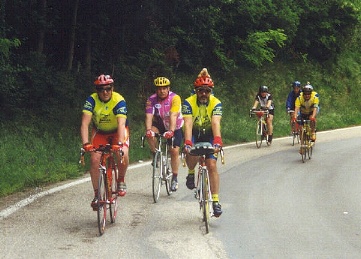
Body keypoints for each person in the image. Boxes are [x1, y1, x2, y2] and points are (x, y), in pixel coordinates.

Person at [81, 74, 130, 210]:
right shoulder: (91, 100)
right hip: (100, 132)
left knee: (123, 153)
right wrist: (86, 144)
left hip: (117, 131)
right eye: (101, 89)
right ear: (97, 90)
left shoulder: (118, 100)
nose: (105, 92)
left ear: (112, 88)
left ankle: (120, 179)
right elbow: (85, 124)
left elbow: (121, 124)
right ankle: (97, 195)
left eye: (108, 89)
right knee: (95, 159)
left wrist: (119, 144)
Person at [182, 68, 223, 217]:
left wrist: (218, 140)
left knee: (211, 165)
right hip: (193, 133)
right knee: (191, 156)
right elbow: (187, 124)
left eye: (207, 91)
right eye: (200, 91)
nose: (204, 94)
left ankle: (216, 201)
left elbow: (215, 123)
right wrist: (187, 142)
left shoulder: (216, 103)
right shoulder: (188, 102)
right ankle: (191, 172)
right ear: (196, 91)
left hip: (210, 135)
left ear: (211, 91)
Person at [145, 77, 184, 192]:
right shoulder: (151, 99)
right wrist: (148, 130)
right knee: (150, 133)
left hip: (175, 126)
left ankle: (175, 178)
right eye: (159, 89)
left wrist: (171, 131)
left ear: (168, 88)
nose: (162, 91)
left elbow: (173, 115)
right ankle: (155, 154)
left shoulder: (175, 98)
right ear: (156, 90)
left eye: (164, 88)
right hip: (160, 124)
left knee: (174, 150)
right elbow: (148, 116)